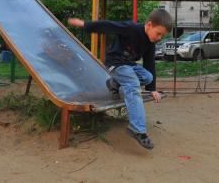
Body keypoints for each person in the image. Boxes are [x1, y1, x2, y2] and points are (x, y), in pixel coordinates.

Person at [68, 9, 172, 149]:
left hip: (129, 66)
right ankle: (138, 130)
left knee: (147, 76)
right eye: (158, 33)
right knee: (132, 83)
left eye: (162, 36)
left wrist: (152, 89)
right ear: (149, 25)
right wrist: (85, 25)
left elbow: (150, 63)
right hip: (115, 64)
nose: (159, 38)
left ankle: (114, 84)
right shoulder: (131, 28)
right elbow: (108, 26)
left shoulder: (150, 43)